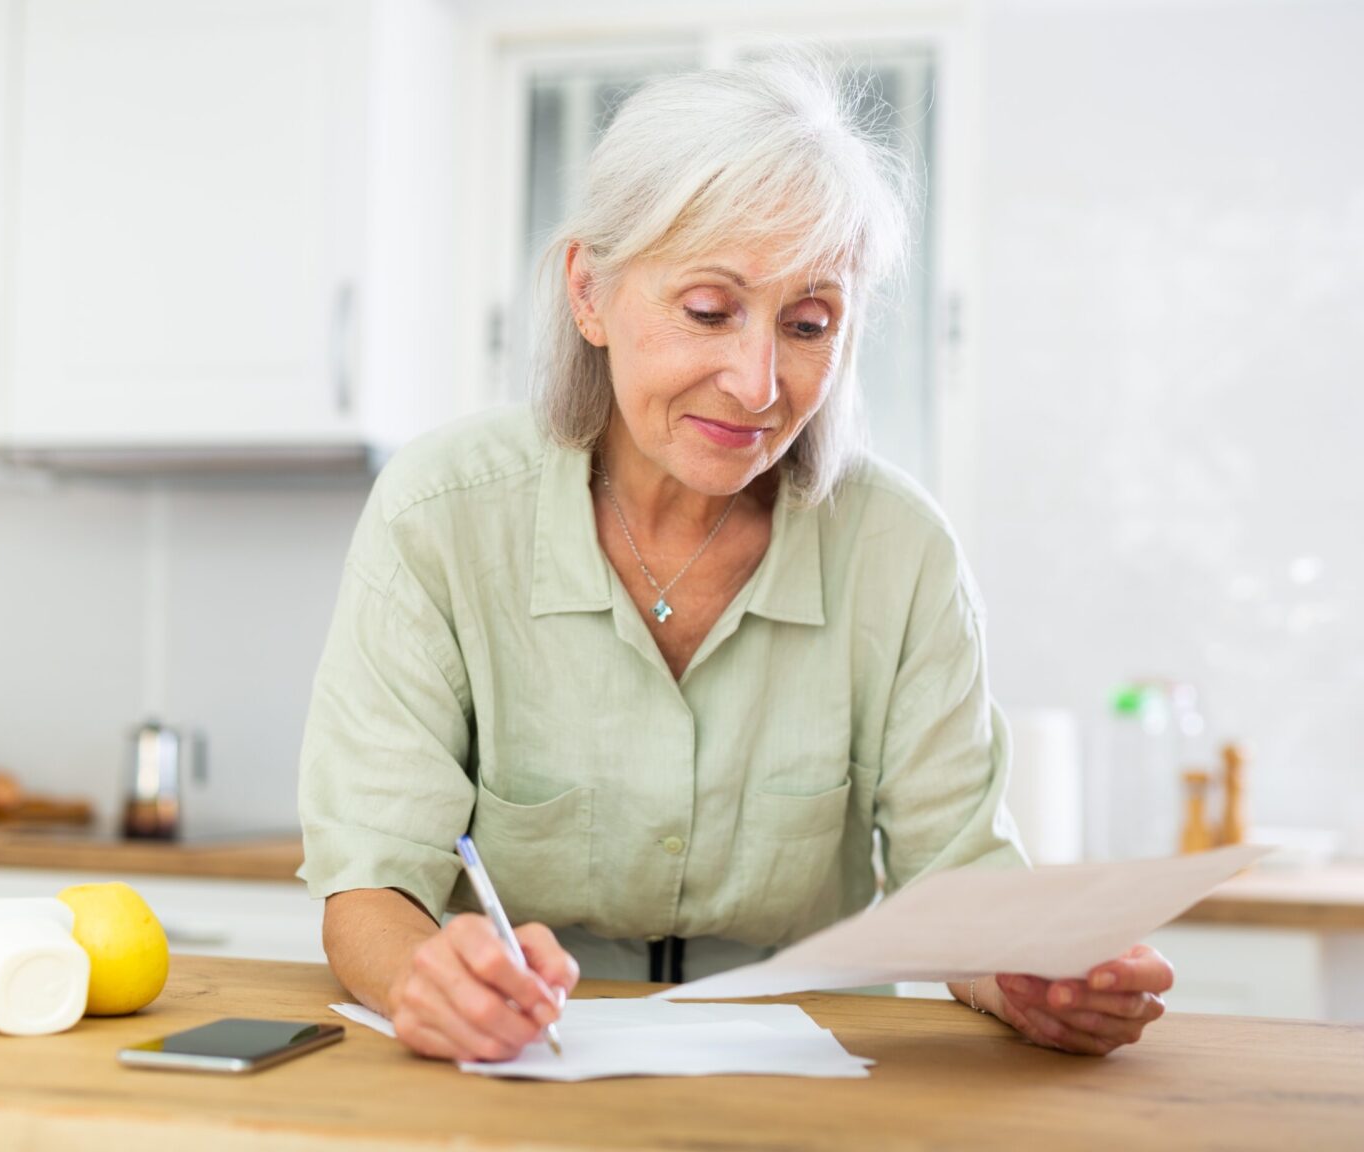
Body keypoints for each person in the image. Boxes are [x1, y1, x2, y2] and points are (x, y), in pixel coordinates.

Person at [298, 49, 1172, 1062]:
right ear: (590, 292)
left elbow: (957, 886)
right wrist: (429, 979)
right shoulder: (440, 515)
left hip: (813, 1080)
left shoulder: (898, 553)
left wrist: (1031, 973)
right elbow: (370, 882)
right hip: (516, 1072)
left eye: (808, 324)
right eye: (708, 312)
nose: (758, 384)